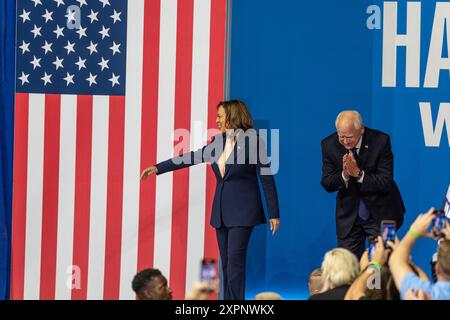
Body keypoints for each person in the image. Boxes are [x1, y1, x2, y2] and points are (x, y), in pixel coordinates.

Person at [141, 100, 280, 300]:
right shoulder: (217, 142)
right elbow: (191, 157)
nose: (216, 120)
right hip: (222, 213)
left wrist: (274, 212)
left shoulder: (254, 142)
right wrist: (158, 168)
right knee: (225, 265)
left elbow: (266, 177)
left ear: (233, 117)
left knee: (234, 264)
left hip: (243, 212)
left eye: (220, 116)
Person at [320, 110, 405, 259]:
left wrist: (359, 174)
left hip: (382, 213)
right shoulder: (329, 145)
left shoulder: (381, 141)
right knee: (347, 267)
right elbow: (327, 183)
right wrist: (345, 174)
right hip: (348, 216)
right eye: (341, 137)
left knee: (382, 266)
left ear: (361, 130)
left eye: (349, 137)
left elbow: (385, 181)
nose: (345, 142)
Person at [388, 208, 450, 300]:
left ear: (437, 270)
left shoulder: (425, 294)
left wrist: (414, 232)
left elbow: (395, 262)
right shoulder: (428, 293)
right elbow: (424, 284)